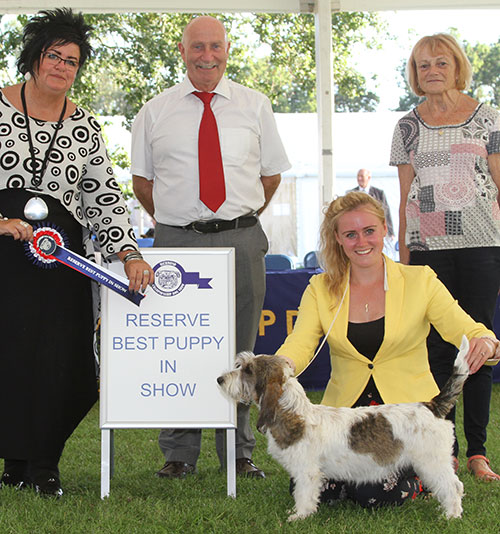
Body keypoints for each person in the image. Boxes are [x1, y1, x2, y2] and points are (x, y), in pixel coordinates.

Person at [0, 8, 153, 497]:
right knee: (11, 356)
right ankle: (15, 459)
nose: (62, 67)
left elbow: (103, 199)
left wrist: (128, 252)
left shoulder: (84, 125)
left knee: (63, 361)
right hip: (4, 256)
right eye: (54, 55)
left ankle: (45, 462)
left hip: (62, 261)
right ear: (34, 57)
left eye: (72, 60)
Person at [131, 15, 291, 479]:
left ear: (227, 50)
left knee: (244, 351)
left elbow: (271, 175)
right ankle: (179, 454)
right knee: (181, 344)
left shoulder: (255, 105)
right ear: (182, 52)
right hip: (177, 241)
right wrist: (177, 223)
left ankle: (239, 453)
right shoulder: (154, 111)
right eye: (197, 47)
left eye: (215, 46)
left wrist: (237, 220)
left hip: (241, 237)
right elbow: (143, 182)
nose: (207, 55)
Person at [276, 191, 499, 508]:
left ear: (384, 230)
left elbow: (463, 327)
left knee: (374, 494)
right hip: (347, 421)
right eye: (350, 234)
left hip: (407, 420)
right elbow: (301, 343)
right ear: (337, 239)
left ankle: (422, 474)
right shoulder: (320, 289)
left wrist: (486, 340)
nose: (361, 241)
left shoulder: (419, 280)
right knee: (318, 487)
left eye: (369, 231)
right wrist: (279, 366)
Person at [390, 33, 500, 481]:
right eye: (422, 65)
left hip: (482, 245)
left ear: (457, 66)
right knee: (435, 349)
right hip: (428, 251)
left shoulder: (488, 117)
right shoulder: (406, 127)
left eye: (440, 62)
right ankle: (444, 449)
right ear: (414, 74)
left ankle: (477, 451)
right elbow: (403, 198)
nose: (431, 70)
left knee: (477, 346)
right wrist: (401, 255)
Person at [349, 168, 395, 238]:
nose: (359, 178)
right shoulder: (351, 194)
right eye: (358, 176)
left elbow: (386, 213)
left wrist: (390, 232)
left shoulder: (379, 193)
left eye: (362, 176)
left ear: (368, 177)